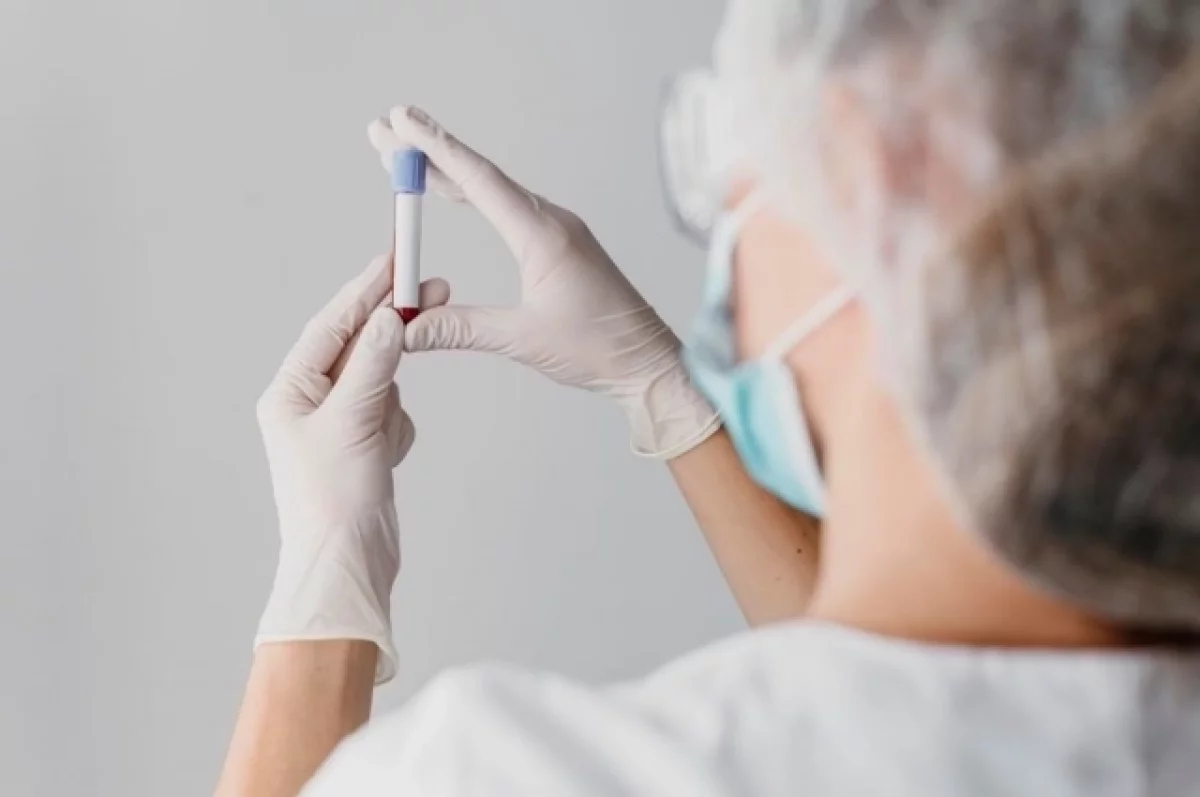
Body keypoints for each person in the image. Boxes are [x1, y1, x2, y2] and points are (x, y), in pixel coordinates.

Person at [216, 1, 1200, 794]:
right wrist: (661, 390)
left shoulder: (507, 775)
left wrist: (324, 576)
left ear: (871, 163)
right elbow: (897, 695)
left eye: (733, 179)